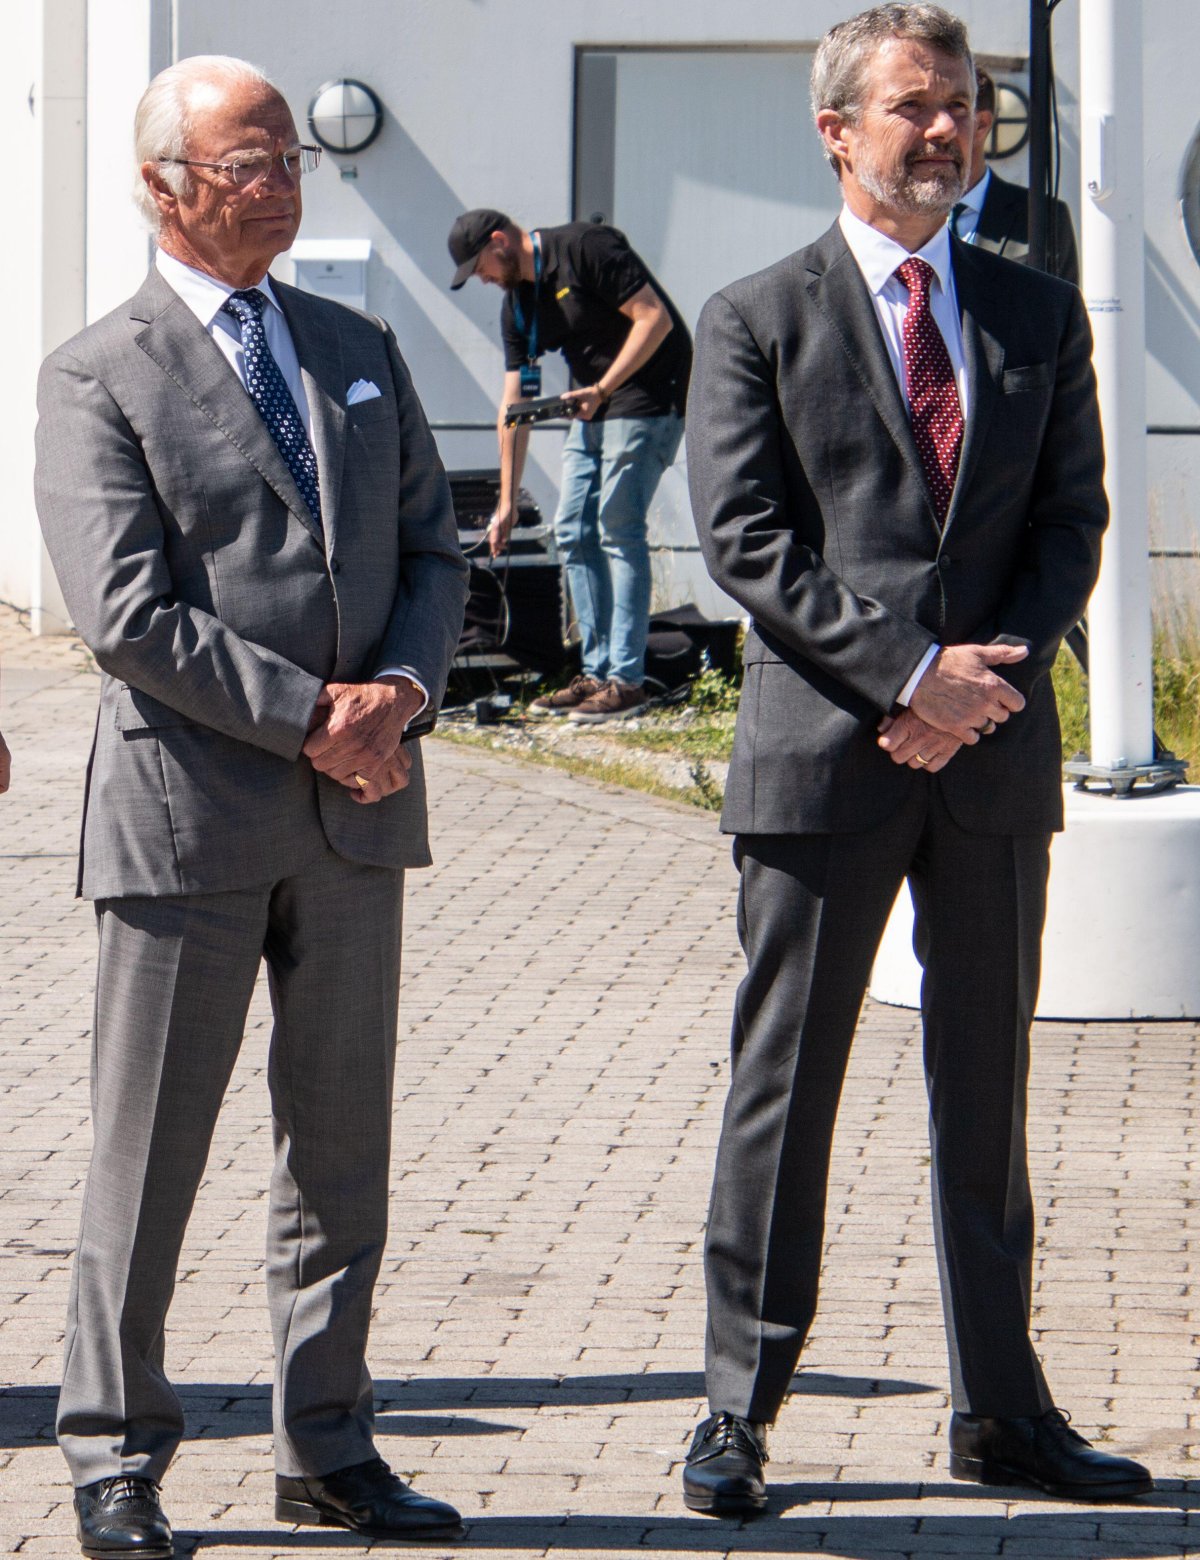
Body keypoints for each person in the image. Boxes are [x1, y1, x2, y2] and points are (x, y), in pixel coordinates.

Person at [681, 3, 1152, 1517]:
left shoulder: (1033, 312)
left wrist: (980, 687)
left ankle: (1001, 1414)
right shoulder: (758, 314)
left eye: (963, 105)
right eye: (913, 107)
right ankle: (736, 1413)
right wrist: (905, 677)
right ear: (837, 131)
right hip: (826, 761)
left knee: (987, 1093)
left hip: (993, 762)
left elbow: (1071, 525)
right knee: (785, 1091)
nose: (946, 131)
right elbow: (748, 538)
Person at [35, 56, 469, 1557]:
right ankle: (112, 1455)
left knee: (338, 1153)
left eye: (288, 157)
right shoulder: (99, 372)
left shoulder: (356, 346)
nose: (279, 181)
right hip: (189, 820)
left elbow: (434, 550)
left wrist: (399, 701)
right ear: (163, 186)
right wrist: (317, 722)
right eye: (245, 163)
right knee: (147, 1157)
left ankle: (327, 1446)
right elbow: (127, 616)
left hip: (360, 815)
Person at [448, 209, 691, 722]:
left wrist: (603, 389)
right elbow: (514, 406)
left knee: (616, 526)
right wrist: (507, 503)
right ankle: (597, 673)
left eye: (481, 267)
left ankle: (626, 681)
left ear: (501, 241)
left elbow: (655, 318)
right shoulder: (519, 306)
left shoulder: (587, 247)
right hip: (593, 408)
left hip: (647, 398)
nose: (484, 279)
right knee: (572, 530)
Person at [950, 67, 1080, 284]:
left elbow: (1058, 313)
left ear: (981, 124)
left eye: (951, 109)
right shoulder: (898, 214)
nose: (934, 126)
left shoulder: (1042, 217)